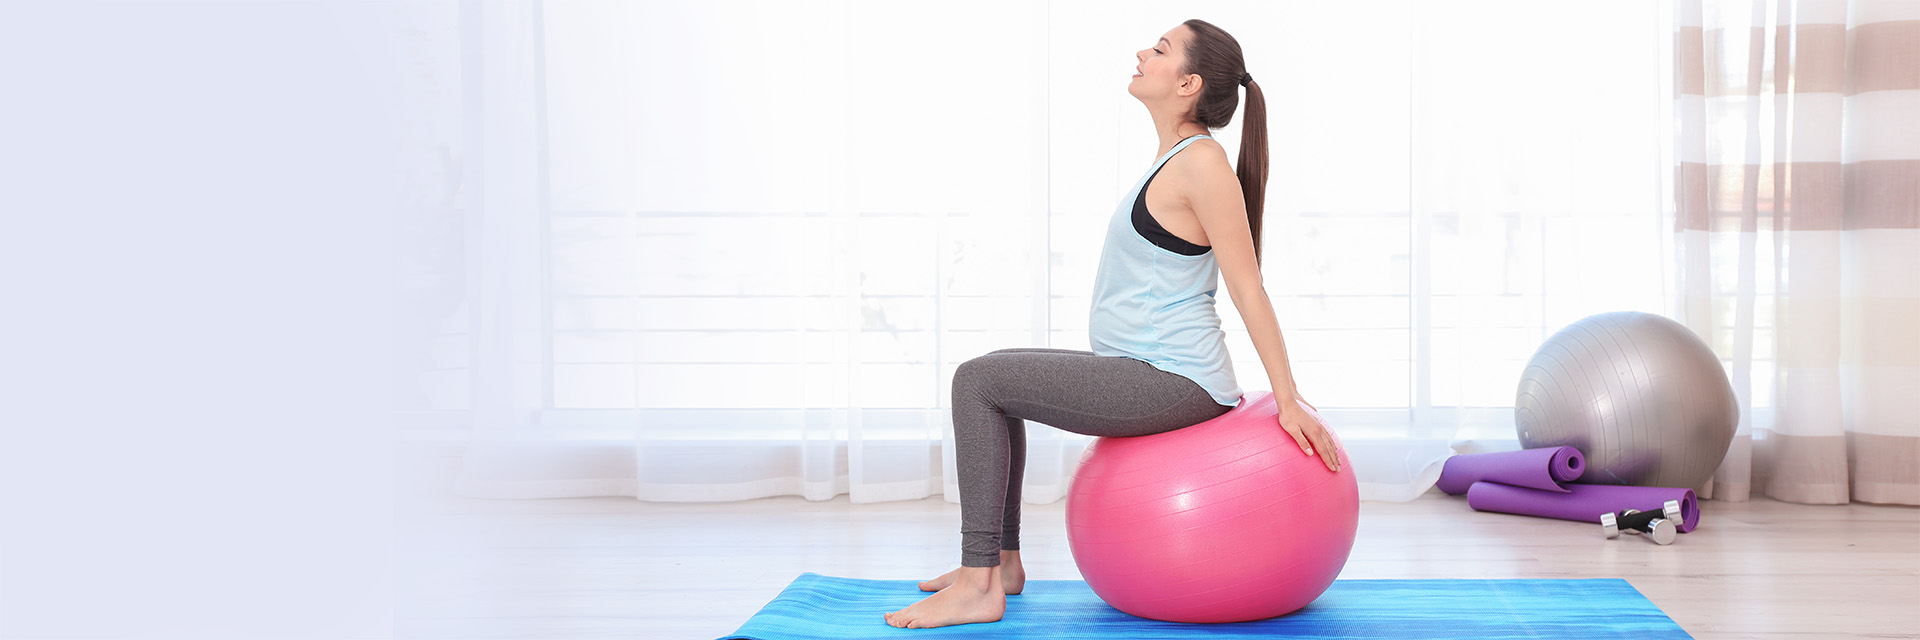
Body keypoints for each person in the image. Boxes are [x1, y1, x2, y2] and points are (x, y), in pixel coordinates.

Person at [883, 19, 1341, 630]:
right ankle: (1002, 565)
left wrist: (1287, 399)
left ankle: (977, 583)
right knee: (991, 379)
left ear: (1188, 83)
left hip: (1174, 380)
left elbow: (1247, 286)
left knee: (978, 382)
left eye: (1159, 49)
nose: (1141, 53)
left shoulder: (1202, 165)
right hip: (1145, 369)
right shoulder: (1178, 158)